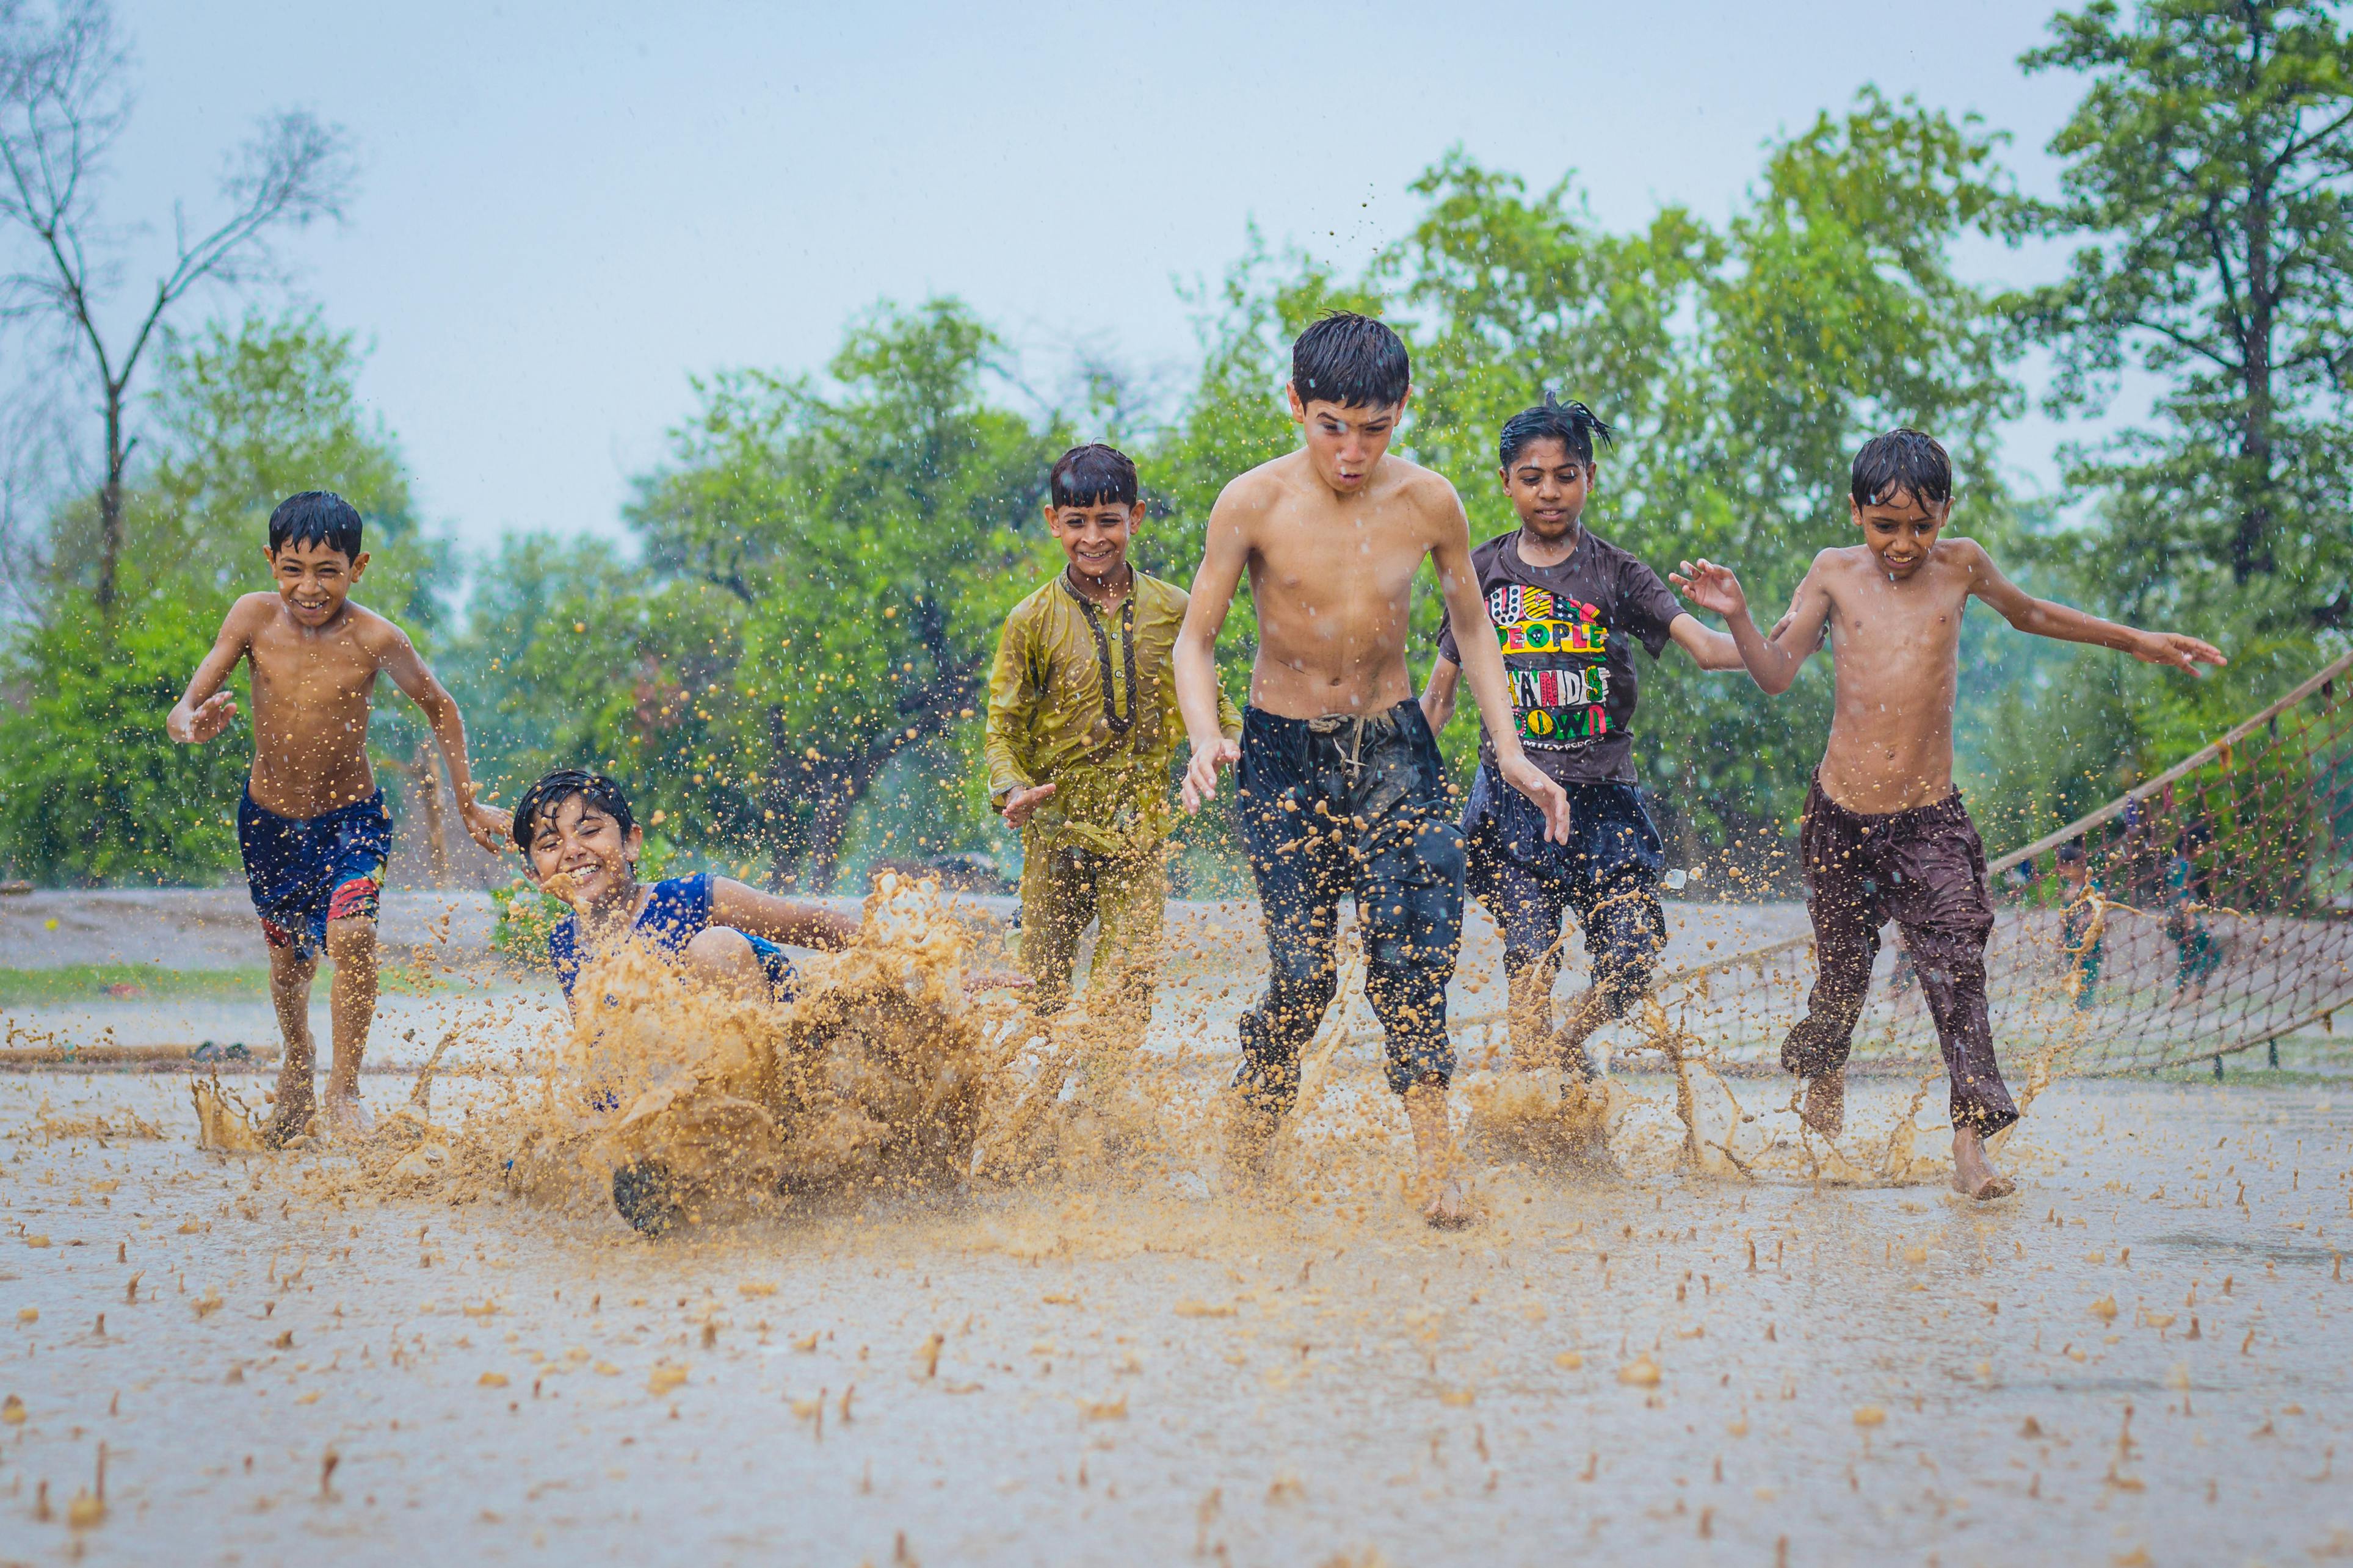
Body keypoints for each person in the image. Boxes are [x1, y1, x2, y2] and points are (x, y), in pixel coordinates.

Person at [1671, 429, 2224, 1200]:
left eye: (1920, 526)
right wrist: (1735, 614)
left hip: (1928, 819)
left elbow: (2030, 614)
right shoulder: (1831, 573)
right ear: (1857, 512)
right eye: (1885, 525)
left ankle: (1969, 1147)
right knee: (1841, 975)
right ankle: (1825, 1065)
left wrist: (2133, 640)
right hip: (1837, 818)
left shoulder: (1960, 565)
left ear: (1945, 514)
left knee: (1957, 971)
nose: (1903, 544)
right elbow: (1772, 674)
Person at [1173, 311, 1572, 1227]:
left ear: (1401, 411)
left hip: (1396, 748)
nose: (1351, 453)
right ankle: (1255, 1116)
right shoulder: (1251, 502)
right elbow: (1194, 642)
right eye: (1330, 427)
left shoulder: (1430, 501)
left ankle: (1439, 1170)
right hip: (1280, 754)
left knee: (1411, 959)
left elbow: (1472, 626)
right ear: (1294, 405)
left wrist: (1507, 751)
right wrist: (1205, 735)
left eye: (1374, 428)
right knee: (1305, 975)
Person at [1418, 396, 1744, 1115]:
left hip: (1604, 804)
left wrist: (1761, 627)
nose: (1548, 492)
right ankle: (1532, 1134)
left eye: (1565, 476)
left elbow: (1709, 650)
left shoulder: (1617, 574)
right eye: (1531, 477)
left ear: (1588, 479)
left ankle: (1570, 1043)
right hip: (1512, 805)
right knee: (1529, 965)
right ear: (1506, 483)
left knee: (1630, 960)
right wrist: (1396, 779)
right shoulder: (1479, 573)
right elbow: (1439, 696)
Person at [168, 491, 509, 1144]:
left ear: (359, 568)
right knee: (290, 962)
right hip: (267, 822)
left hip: (351, 818)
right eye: (294, 568)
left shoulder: (376, 636)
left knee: (350, 936)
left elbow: (440, 704)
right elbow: (185, 705)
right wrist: (189, 725)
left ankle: (344, 1089)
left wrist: (466, 799)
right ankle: (298, 1068)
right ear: (271, 562)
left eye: (328, 570)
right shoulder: (251, 618)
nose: (309, 587)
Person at [985, 444, 1241, 1039]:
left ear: (1136, 517)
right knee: (1038, 997)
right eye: (1076, 522)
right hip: (1054, 834)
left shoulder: (1175, 609)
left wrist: (1229, 741)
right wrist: (1011, 790)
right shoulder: (1031, 620)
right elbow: (1002, 730)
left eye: (1108, 520)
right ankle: (1035, 1119)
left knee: (1124, 992)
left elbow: (1215, 700)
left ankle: (1103, 1122)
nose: (1092, 537)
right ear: (1054, 523)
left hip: (1139, 837)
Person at [510, 768, 858, 1011]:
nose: (572, 851)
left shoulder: (694, 899)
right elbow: (601, 1056)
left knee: (714, 946)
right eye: (551, 843)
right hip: (684, 1085)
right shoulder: (564, 943)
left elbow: (822, 926)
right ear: (537, 876)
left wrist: (901, 955)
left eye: (588, 831)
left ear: (631, 843)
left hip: (781, 1056)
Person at [2054, 843, 2105, 1010]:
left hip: (2089, 942)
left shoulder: (2091, 884)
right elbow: (2066, 916)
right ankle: (2079, 1008)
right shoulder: (2069, 888)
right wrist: (2061, 936)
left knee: (2088, 976)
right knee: (2075, 975)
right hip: (2072, 941)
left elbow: (2101, 909)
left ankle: (2086, 1008)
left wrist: (2087, 918)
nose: (2063, 871)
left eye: (2066, 866)